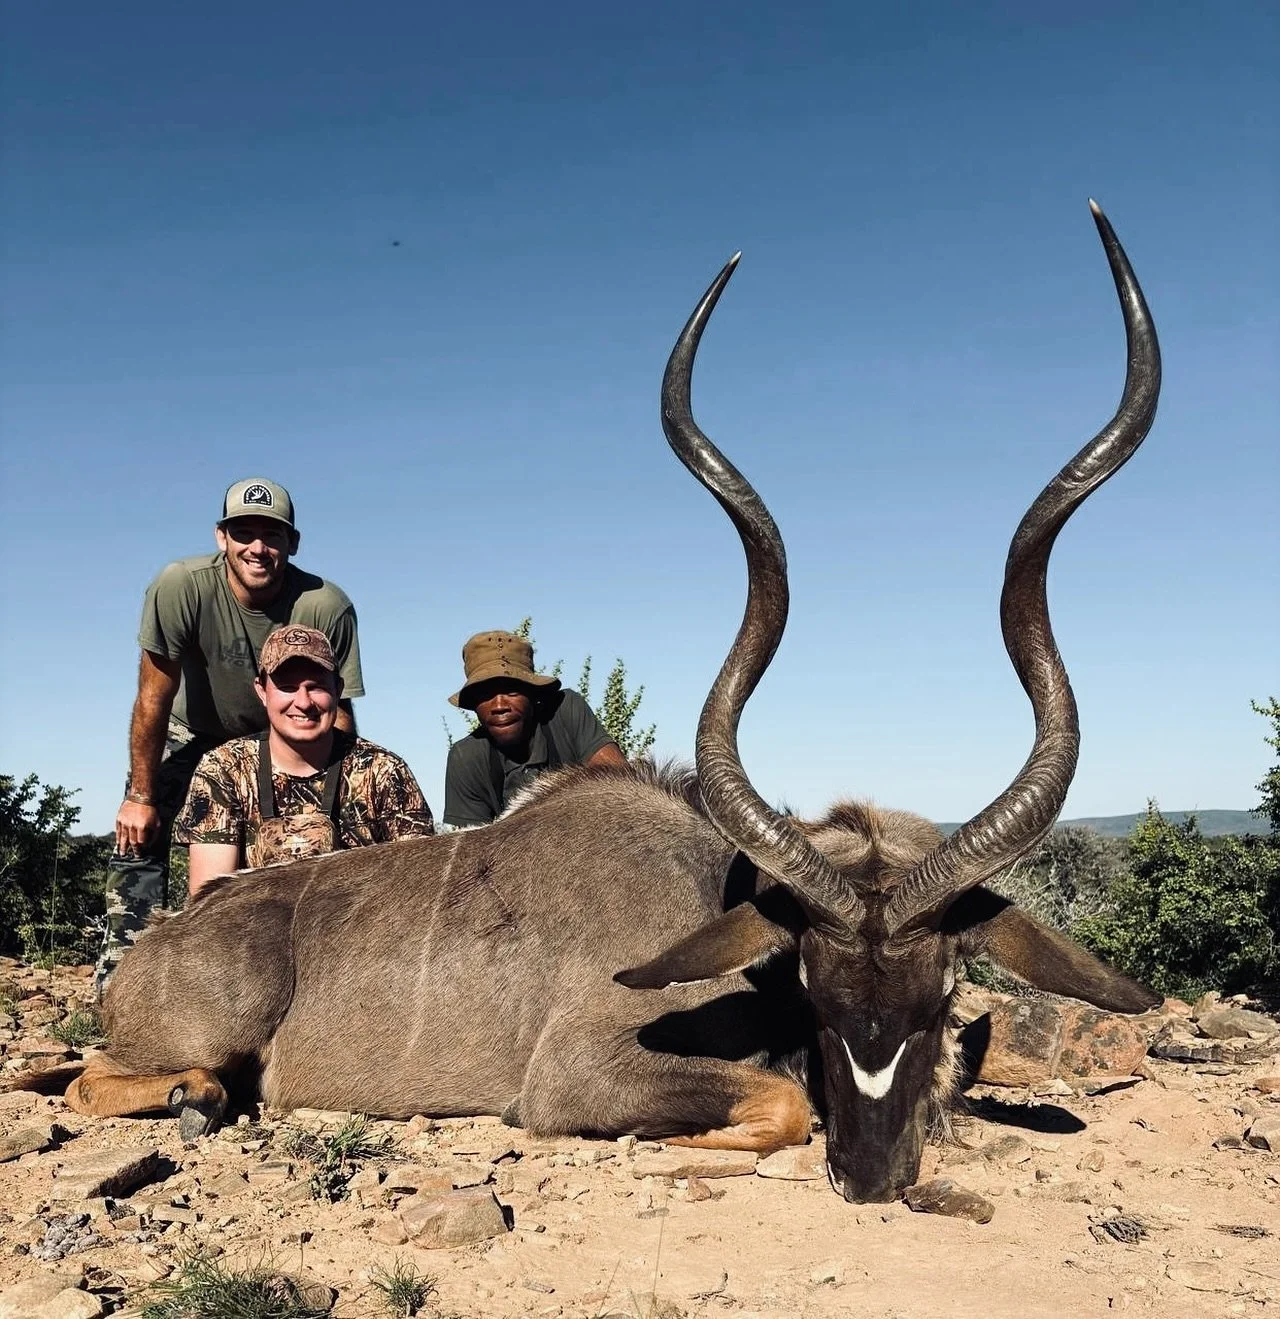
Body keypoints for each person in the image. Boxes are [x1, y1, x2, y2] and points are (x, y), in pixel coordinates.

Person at [96, 477, 364, 990]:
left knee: (317, 840)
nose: (257, 548)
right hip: (188, 729)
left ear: (293, 543)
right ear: (223, 537)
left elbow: (337, 707)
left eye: (272, 535)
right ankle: (120, 977)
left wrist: (342, 791)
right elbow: (152, 697)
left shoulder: (326, 605)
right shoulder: (180, 585)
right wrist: (140, 794)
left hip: (278, 736)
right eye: (244, 533)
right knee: (138, 834)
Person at [174, 626, 433, 898]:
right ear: (262, 691)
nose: (303, 702)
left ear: (338, 690)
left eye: (316, 686)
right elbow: (209, 906)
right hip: (254, 934)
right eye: (287, 687)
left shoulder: (384, 771)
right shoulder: (224, 769)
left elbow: (416, 894)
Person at [443, 630, 627, 827]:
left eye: (512, 690)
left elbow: (619, 788)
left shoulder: (565, 710)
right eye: (485, 694)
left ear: (533, 693)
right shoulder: (465, 757)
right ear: (474, 704)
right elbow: (473, 850)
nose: (499, 706)